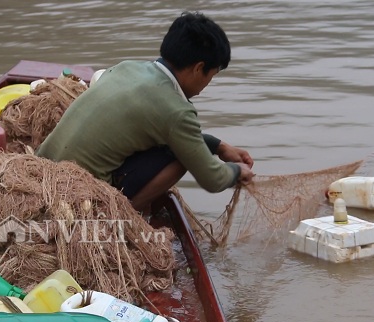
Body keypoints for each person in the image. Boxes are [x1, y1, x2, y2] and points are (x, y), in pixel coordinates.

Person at [36, 11, 255, 213]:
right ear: (199, 68)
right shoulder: (177, 110)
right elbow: (212, 179)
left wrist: (220, 146)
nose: (208, 83)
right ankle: (124, 215)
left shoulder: (127, 67)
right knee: (181, 158)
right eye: (212, 75)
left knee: (176, 146)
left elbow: (182, 139)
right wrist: (237, 172)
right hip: (80, 193)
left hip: (42, 170)